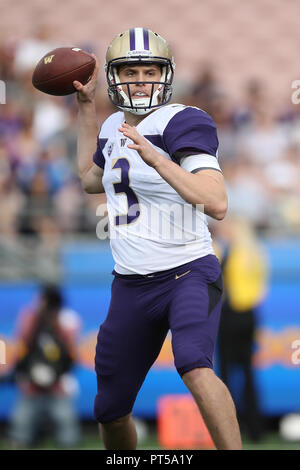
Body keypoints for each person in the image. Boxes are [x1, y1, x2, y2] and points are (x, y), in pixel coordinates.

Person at [73, 27, 242, 450]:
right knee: (109, 410)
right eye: (131, 71)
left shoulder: (183, 120)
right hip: (130, 283)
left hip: (188, 271)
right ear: (115, 78)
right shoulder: (113, 125)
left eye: (150, 70)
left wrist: (154, 156)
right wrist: (83, 109)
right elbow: (90, 180)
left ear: (165, 75)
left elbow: (216, 202)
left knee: (194, 364)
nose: (141, 79)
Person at [8, 284, 81, 447]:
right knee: (24, 418)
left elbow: (69, 351)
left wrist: (56, 372)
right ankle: (22, 439)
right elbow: (24, 342)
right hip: (32, 377)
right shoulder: (30, 317)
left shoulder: (66, 319)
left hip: (59, 378)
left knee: (64, 419)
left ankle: (67, 440)